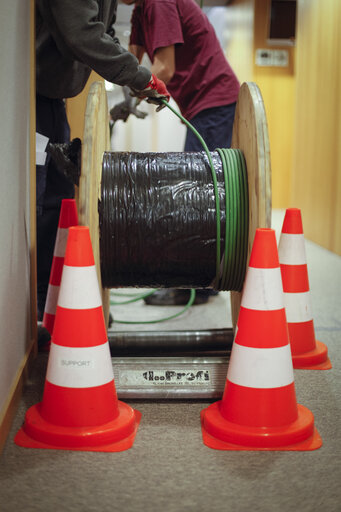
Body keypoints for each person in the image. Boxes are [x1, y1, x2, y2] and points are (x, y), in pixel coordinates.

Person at [35, 0, 169, 329]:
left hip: (52, 98)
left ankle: (47, 307)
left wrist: (135, 81)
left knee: (62, 199)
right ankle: (33, 313)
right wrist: (140, 77)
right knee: (37, 203)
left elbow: (105, 35)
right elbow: (82, 34)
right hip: (30, 95)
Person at [120, 0, 240, 305]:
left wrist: (136, 93)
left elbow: (164, 70)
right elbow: (128, 62)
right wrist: (125, 99)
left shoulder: (158, 3)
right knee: (199, 192)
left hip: (214, 100)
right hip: (201, 104)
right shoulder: (139, 12)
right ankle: (199, 281)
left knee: (199, 197)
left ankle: (197, 286)